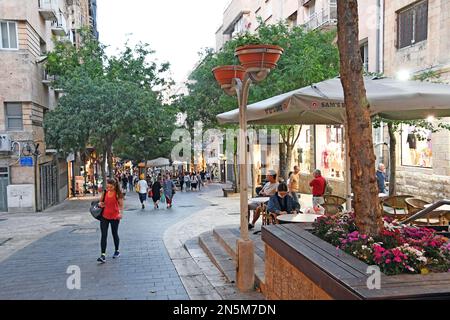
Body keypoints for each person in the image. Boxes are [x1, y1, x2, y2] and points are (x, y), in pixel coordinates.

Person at [97, 178, 124, 263]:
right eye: (107, 187)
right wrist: (100, 204)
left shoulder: (117, 194)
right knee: (103, 235)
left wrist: (120, 213)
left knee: (114, 233)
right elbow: (100, 202)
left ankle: (117, 251)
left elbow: (121, 205)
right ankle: (103, 255)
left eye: (110, 187)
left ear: (114, 186)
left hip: (114, 217)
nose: (108, 188)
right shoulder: (105, 192)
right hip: (104, 216)